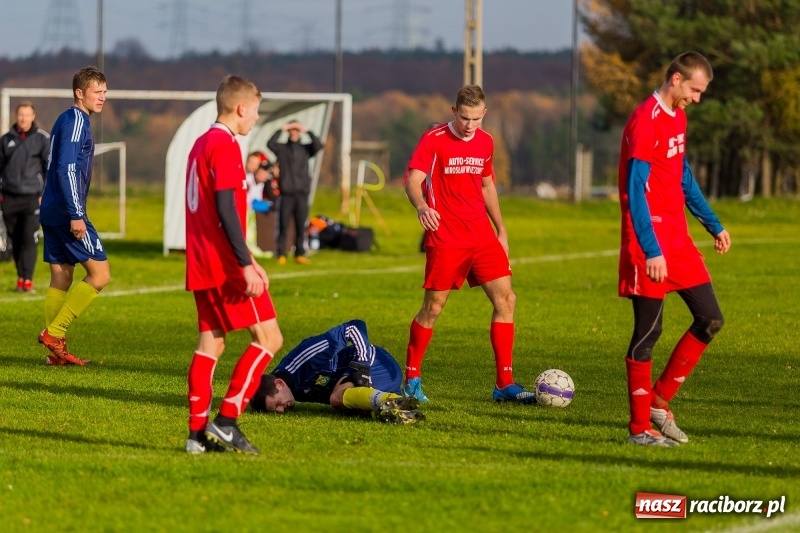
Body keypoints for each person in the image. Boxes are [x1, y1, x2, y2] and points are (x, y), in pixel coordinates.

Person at [618, 51, 730, 447]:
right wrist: (650, 250)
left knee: (710, 319)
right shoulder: (644, 122)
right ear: (677, 78)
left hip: (677, 242)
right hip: (646, 243)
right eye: (695, 90)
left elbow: (682, 177)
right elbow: (635, 192)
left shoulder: (677, 118)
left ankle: (659, 403)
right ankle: (638, 430)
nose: (697, 99)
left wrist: (712, 223)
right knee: (648, 332)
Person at [402, 85, 536, 404]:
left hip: (481, 236)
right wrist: (422, 207)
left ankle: (504, 383)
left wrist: (501, 230)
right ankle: (412, 378)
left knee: (507, 300)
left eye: (476, 118)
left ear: (484, 114)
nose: (469, 125)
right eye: (464, 117)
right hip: (446, 237)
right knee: (433, 307)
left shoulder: (486, 142)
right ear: (454, 111)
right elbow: (413, 181)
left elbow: (487, 185)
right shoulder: (433, 140)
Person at [184, 75, 283, 455]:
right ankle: (226, 421)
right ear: (241, 108)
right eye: (256, 111)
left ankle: (196, 436)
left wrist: (250, 258)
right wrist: (244, 264)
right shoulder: (224, 145)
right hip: (225, 265)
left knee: (211, 344)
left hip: (202, 261)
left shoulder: (200, 144)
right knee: (269, 338)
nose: (256, 119)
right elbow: (226, 209)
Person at [38, 67, 111, 367]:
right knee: (100, 274)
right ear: (80, 93)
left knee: (61, 276)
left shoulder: (64, 118)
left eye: (105, 92)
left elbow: (52, 163)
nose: (102, 98)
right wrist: (76, 213)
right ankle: (54, 334)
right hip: (69, 211)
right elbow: (66, 168)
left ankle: (55, 354)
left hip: (52, 208)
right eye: (97, 92)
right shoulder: (78, 120)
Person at [250, 319, 424, 424]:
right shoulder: (287, 388)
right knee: (348, 409)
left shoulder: (305, 358)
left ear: (279, 384)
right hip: (371, 382)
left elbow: (353, 327)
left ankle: (395, 400)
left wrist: (361, 366)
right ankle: (404, 412)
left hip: (377, 362)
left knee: (337, 398)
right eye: (274, 411)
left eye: (277, 404)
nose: (281, 411)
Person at [0, 101, 50, 293]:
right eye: (21, 114)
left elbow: (48, 169)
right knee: (15, 238)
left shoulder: (42, 139)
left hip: (32, 198)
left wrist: (43, 195)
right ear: (16, 115)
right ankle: (21, 276)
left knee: (29, 238)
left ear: (33, 116)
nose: (23, 118)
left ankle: (27, 279)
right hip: (9, 198)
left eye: (27, 115)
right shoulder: (5, 140)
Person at [267, 120, 323, 265]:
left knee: (301, 225)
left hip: (301, 194)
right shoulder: (282, 149)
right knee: (283, 225)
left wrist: (307, 130)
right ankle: (281, 253)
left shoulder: (306, 149)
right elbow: (270, 143)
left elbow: (318, 145)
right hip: (286, 194)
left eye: (296, 130)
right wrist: (282, 128)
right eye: (291, 130)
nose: (293, 133)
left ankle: (300, 253)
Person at [244, 151, 272, 257]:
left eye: (256, 164)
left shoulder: (261, 182)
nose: (253, 166)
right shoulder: (245, 178)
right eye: (251, 163)